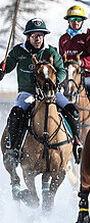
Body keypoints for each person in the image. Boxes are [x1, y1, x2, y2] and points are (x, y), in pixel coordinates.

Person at [0, 18, 83, 164]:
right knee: (16, 114)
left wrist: (56, 81)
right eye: (34, 35)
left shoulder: (51, 51)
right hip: (28, 93)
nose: (37, 38)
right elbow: (7, 65)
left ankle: (76, 144)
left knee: (73, 111)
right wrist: (1, 71)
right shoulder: (19, 51)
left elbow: (61, 70)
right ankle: (14, 148)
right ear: (28, 36)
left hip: (51, 92)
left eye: (40, 35)